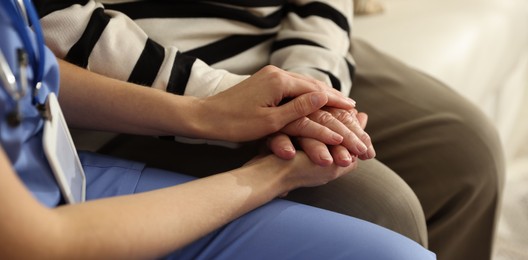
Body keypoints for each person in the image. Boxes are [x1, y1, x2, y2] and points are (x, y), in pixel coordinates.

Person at [34, 1, 505, 259]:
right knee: (377, 204)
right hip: (140, 78)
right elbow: (45, 27)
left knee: (465, 151)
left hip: (284, 45)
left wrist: (314, 87)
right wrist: (211, 102)